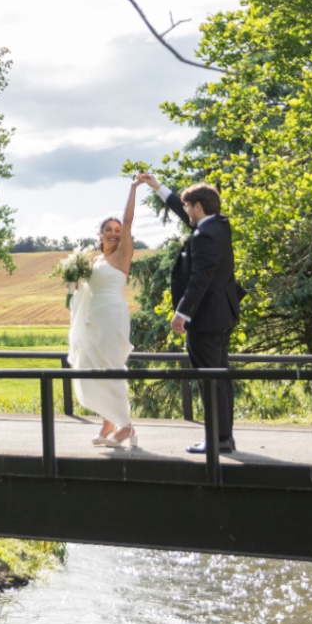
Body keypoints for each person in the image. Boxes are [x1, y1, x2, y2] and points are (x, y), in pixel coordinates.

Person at [138, 174, 241, 455]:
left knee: (209, 379)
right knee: (220, 378)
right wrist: (158, 187)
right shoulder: (219, 226)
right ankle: (224, 438)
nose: (185, 213)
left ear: (197, 206)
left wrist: (182, 313)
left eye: (187, 208)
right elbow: (189, 221)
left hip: (205, 319)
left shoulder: (205, 234)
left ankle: (217, 440)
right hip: (223, 315)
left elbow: (200, 278)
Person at [67, 174, 145, 450]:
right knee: (90, 368)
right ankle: (108, 422)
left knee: (111, 367)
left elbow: (128, 221)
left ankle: (125, 425)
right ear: (99, 234)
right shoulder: (95, 260)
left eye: (116, 230)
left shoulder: (123, 254)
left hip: (112, 316)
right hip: (92, 319)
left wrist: (133, 188)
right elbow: (79, 291)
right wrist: (72, 282)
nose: (114, 233)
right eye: (108, 230)